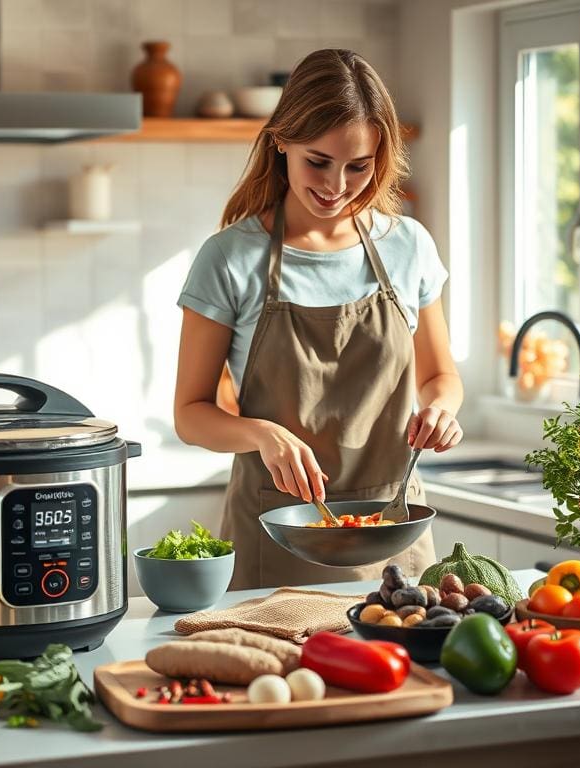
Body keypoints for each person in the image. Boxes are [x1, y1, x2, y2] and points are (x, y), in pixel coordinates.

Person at [174, 49, 464, 590]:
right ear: (280, 140)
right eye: (318, 161)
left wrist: (443, 409)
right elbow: (190, 414)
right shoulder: (230, 258)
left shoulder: (408, 245)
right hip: (277, 539)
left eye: (360, 166)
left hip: (394, 535)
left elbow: (440, 378)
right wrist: (261, 435)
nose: (337, 185)